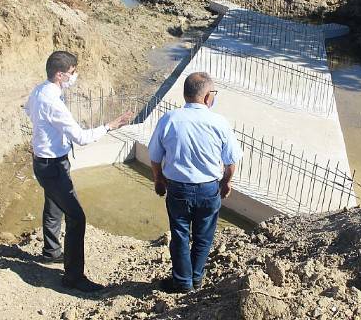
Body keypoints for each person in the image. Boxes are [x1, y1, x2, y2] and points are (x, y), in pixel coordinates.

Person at [25, 50, 132, 293]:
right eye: (73, 72)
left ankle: (52, 251)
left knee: (53, 205)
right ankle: (73, 277)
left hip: (45, 161)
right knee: (76, 217)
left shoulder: (39, 91)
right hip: (52, 165)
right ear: (60, 75)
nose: (76, 76)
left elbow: (28, 111)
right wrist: (110, 125)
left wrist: (44, 138)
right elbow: (82, 137)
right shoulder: (53, 102)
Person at [148, 72, 243, 293]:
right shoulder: (219, 122)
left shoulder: (169, 119)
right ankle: (196, 279)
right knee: (204, 236)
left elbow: (155, 157)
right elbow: (231, 163)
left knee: (180, 235)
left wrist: (158, 180)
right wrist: (226, 184)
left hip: (178, 188)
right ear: (208, 96)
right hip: (209, 188)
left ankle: (182, 282)